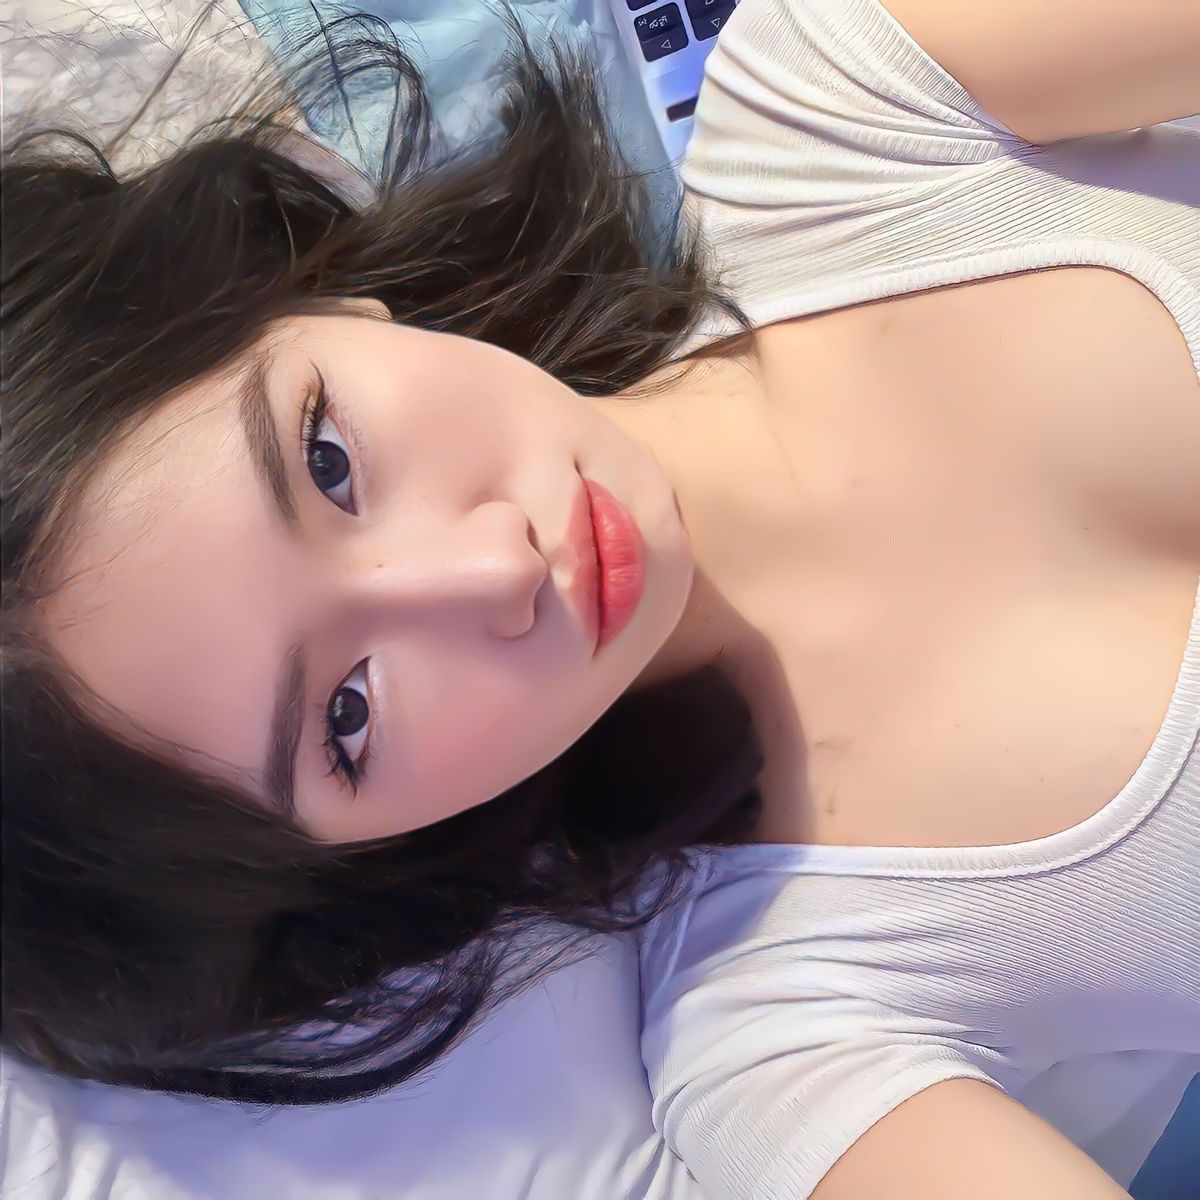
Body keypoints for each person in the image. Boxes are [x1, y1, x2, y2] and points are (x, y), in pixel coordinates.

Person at [2, 0, 1196, 1195]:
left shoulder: (841, 94)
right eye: (347, 718)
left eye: (327, 459)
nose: (495, 570)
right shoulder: (781, 1040)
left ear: (309, 301)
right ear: (351, 860)